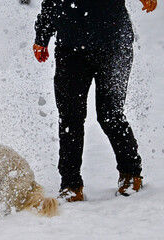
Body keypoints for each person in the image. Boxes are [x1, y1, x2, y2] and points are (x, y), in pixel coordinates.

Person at [33, 0, 157, 202]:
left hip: (113, 44)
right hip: (70, 48)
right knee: (70, 118)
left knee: (110, 113)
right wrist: (42, 35)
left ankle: (131, 172)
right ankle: (70, 185)